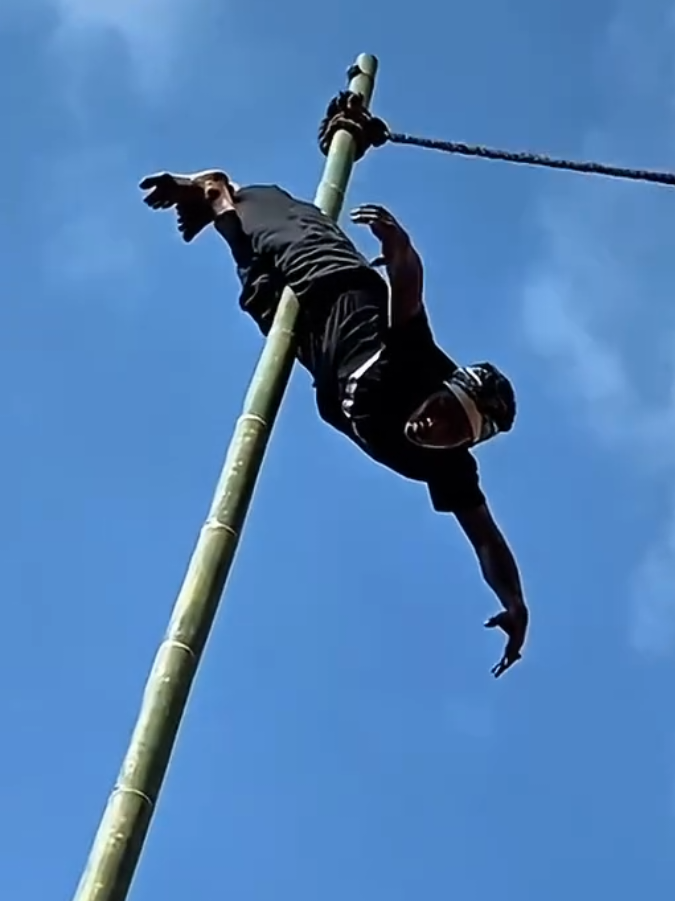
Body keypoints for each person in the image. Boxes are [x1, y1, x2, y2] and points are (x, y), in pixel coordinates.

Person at [140, 168, 528, 676]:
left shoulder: (447, 468)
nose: (434, 427)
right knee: (268, 220)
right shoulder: (416, 362)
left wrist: (515, 602)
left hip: (306, 341)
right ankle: (217, 190)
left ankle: (215, 198)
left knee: (252, 279)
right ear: (439, 389)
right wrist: (399, 244)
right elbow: (409, 291)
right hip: (329, 276)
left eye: (455, 433)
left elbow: (485, 538)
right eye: (442, 411)